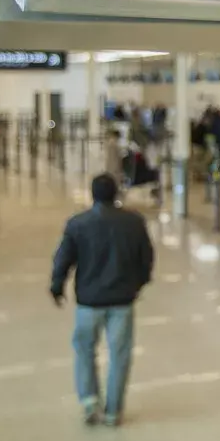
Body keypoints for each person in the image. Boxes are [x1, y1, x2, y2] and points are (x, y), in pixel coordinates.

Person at [50, 174, 154, 427]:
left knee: (84, 349)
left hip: (89, 302)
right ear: (116, 193)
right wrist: (137, 285)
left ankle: (89, 401)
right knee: (120, 354)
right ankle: (113, 411)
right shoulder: (133, 222)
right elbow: (146, 258)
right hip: (122, 301)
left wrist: (57, 286)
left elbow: (63, 258)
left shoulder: (78, 224)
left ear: (92, 194)